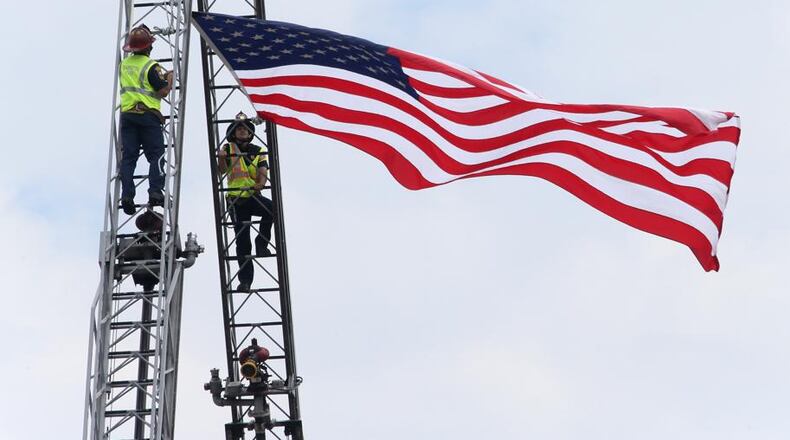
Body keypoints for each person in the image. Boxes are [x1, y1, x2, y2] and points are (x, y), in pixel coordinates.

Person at [118, 25, 173, 215]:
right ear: (149, 47)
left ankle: (127, 195)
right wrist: (170, 78)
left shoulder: (123, 65)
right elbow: (163, 91)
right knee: (156, 154)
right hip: (147, 116)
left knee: (129, 158)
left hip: (127, 116)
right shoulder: (151, 66)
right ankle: (155, 192)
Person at [218, 113, 275, 292]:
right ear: (233, 133)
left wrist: (260, 184)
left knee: (272, 209)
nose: (243, 131)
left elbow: (263, 170)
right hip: (236, 200)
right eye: (239, 129)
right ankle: (245, 281)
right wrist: (220, 157)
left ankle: (262, 244)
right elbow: (221, 171)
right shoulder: (228, 149)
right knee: (243, 242)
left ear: (250, 133)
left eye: (246, 129)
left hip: (251, 195)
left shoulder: (258, 151)